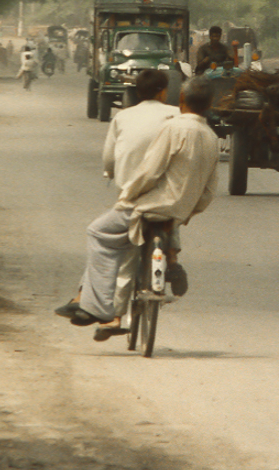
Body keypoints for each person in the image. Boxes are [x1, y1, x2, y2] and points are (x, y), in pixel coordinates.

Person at [57, 79, 219, 341]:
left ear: (180, 101)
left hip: (148, 205)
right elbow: (210, 189)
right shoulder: (212, 137)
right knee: (144, 228)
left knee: (98, 232)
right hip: (178, 211)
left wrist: (127, 197)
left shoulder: (172, 127)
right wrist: (186, 213)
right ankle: (171, 260)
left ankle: (98, 306)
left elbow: (150, 171)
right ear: (210, 105)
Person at [53, 70, 179, 332]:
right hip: (170, 198)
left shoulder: (122, 116)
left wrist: (111, 172)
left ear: (137, 92)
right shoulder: (176, 115)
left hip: (133, 197)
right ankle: (173, 259)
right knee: (169, 215)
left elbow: (109, 158)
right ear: (163, 91)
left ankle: (100, 307)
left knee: (111, 240)